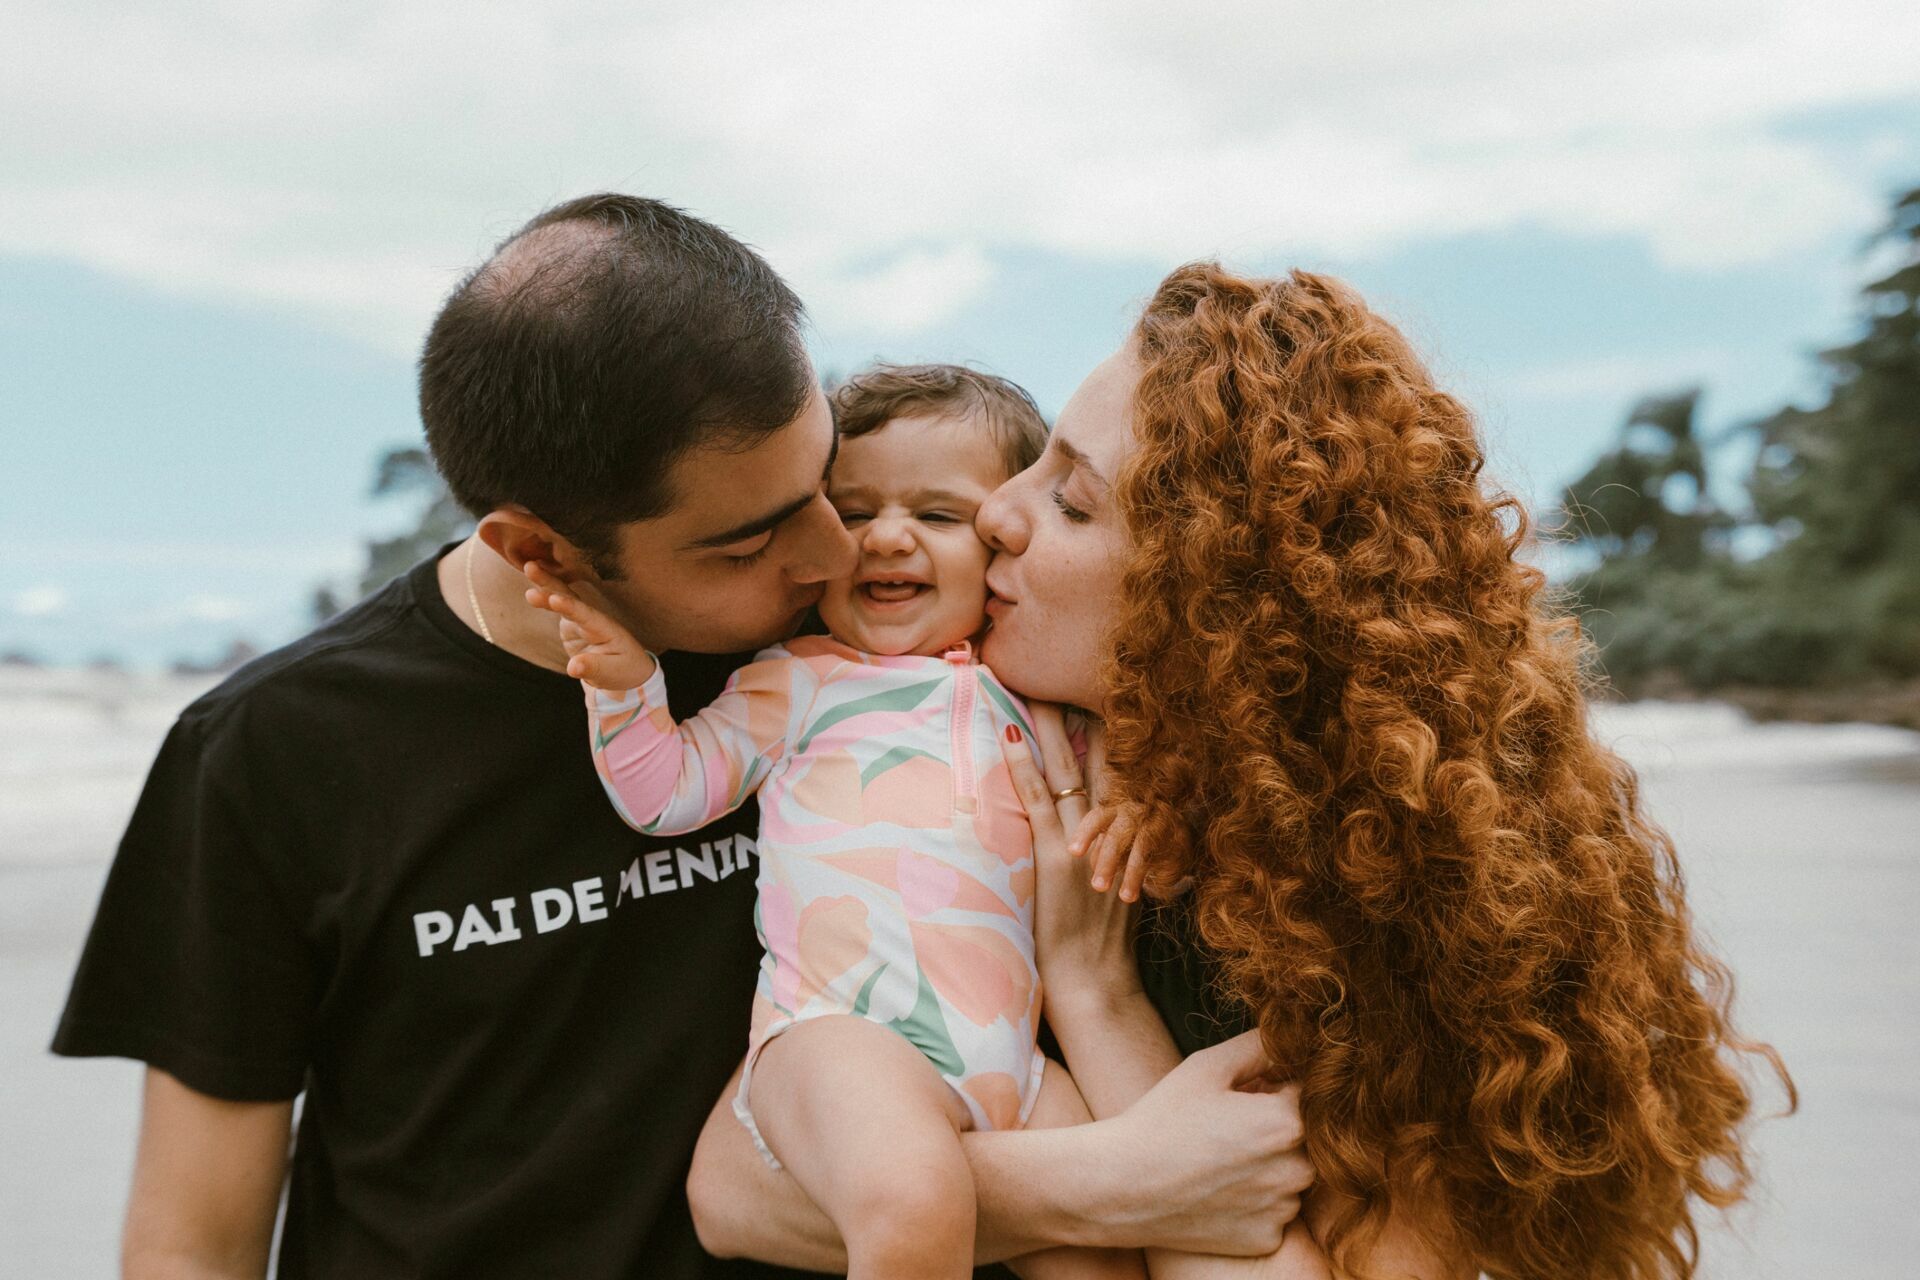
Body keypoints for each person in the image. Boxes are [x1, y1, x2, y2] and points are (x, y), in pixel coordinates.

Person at [50, 199, 1312, 1279]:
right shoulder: (276, 750)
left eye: (823, 477)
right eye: (749, 539)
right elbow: (191, 1245)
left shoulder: (878, 652)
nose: (835, 552)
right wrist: (1105, 1182)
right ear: (541, 552)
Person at [692, 263, 1794, 1279]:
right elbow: (734, 1187)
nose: (996, 514)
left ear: (1212, 600)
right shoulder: (936, 755)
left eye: (1072, 500)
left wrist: (1096, 993)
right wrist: (1121, 1180)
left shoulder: (1383, 923)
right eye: (1029, 466)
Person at [530, 362, 1147, 1279]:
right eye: (854, 513)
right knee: (909, 1205)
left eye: (939, 517)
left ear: (1003, 546)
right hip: (841, 1034)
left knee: (1110, 1261)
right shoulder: (800, 679)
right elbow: (669, 794)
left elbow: (1126, 789)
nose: (888, 538)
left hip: (1009, 1056)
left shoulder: (1032, 693)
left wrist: (1142, 800)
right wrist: (627, 692)